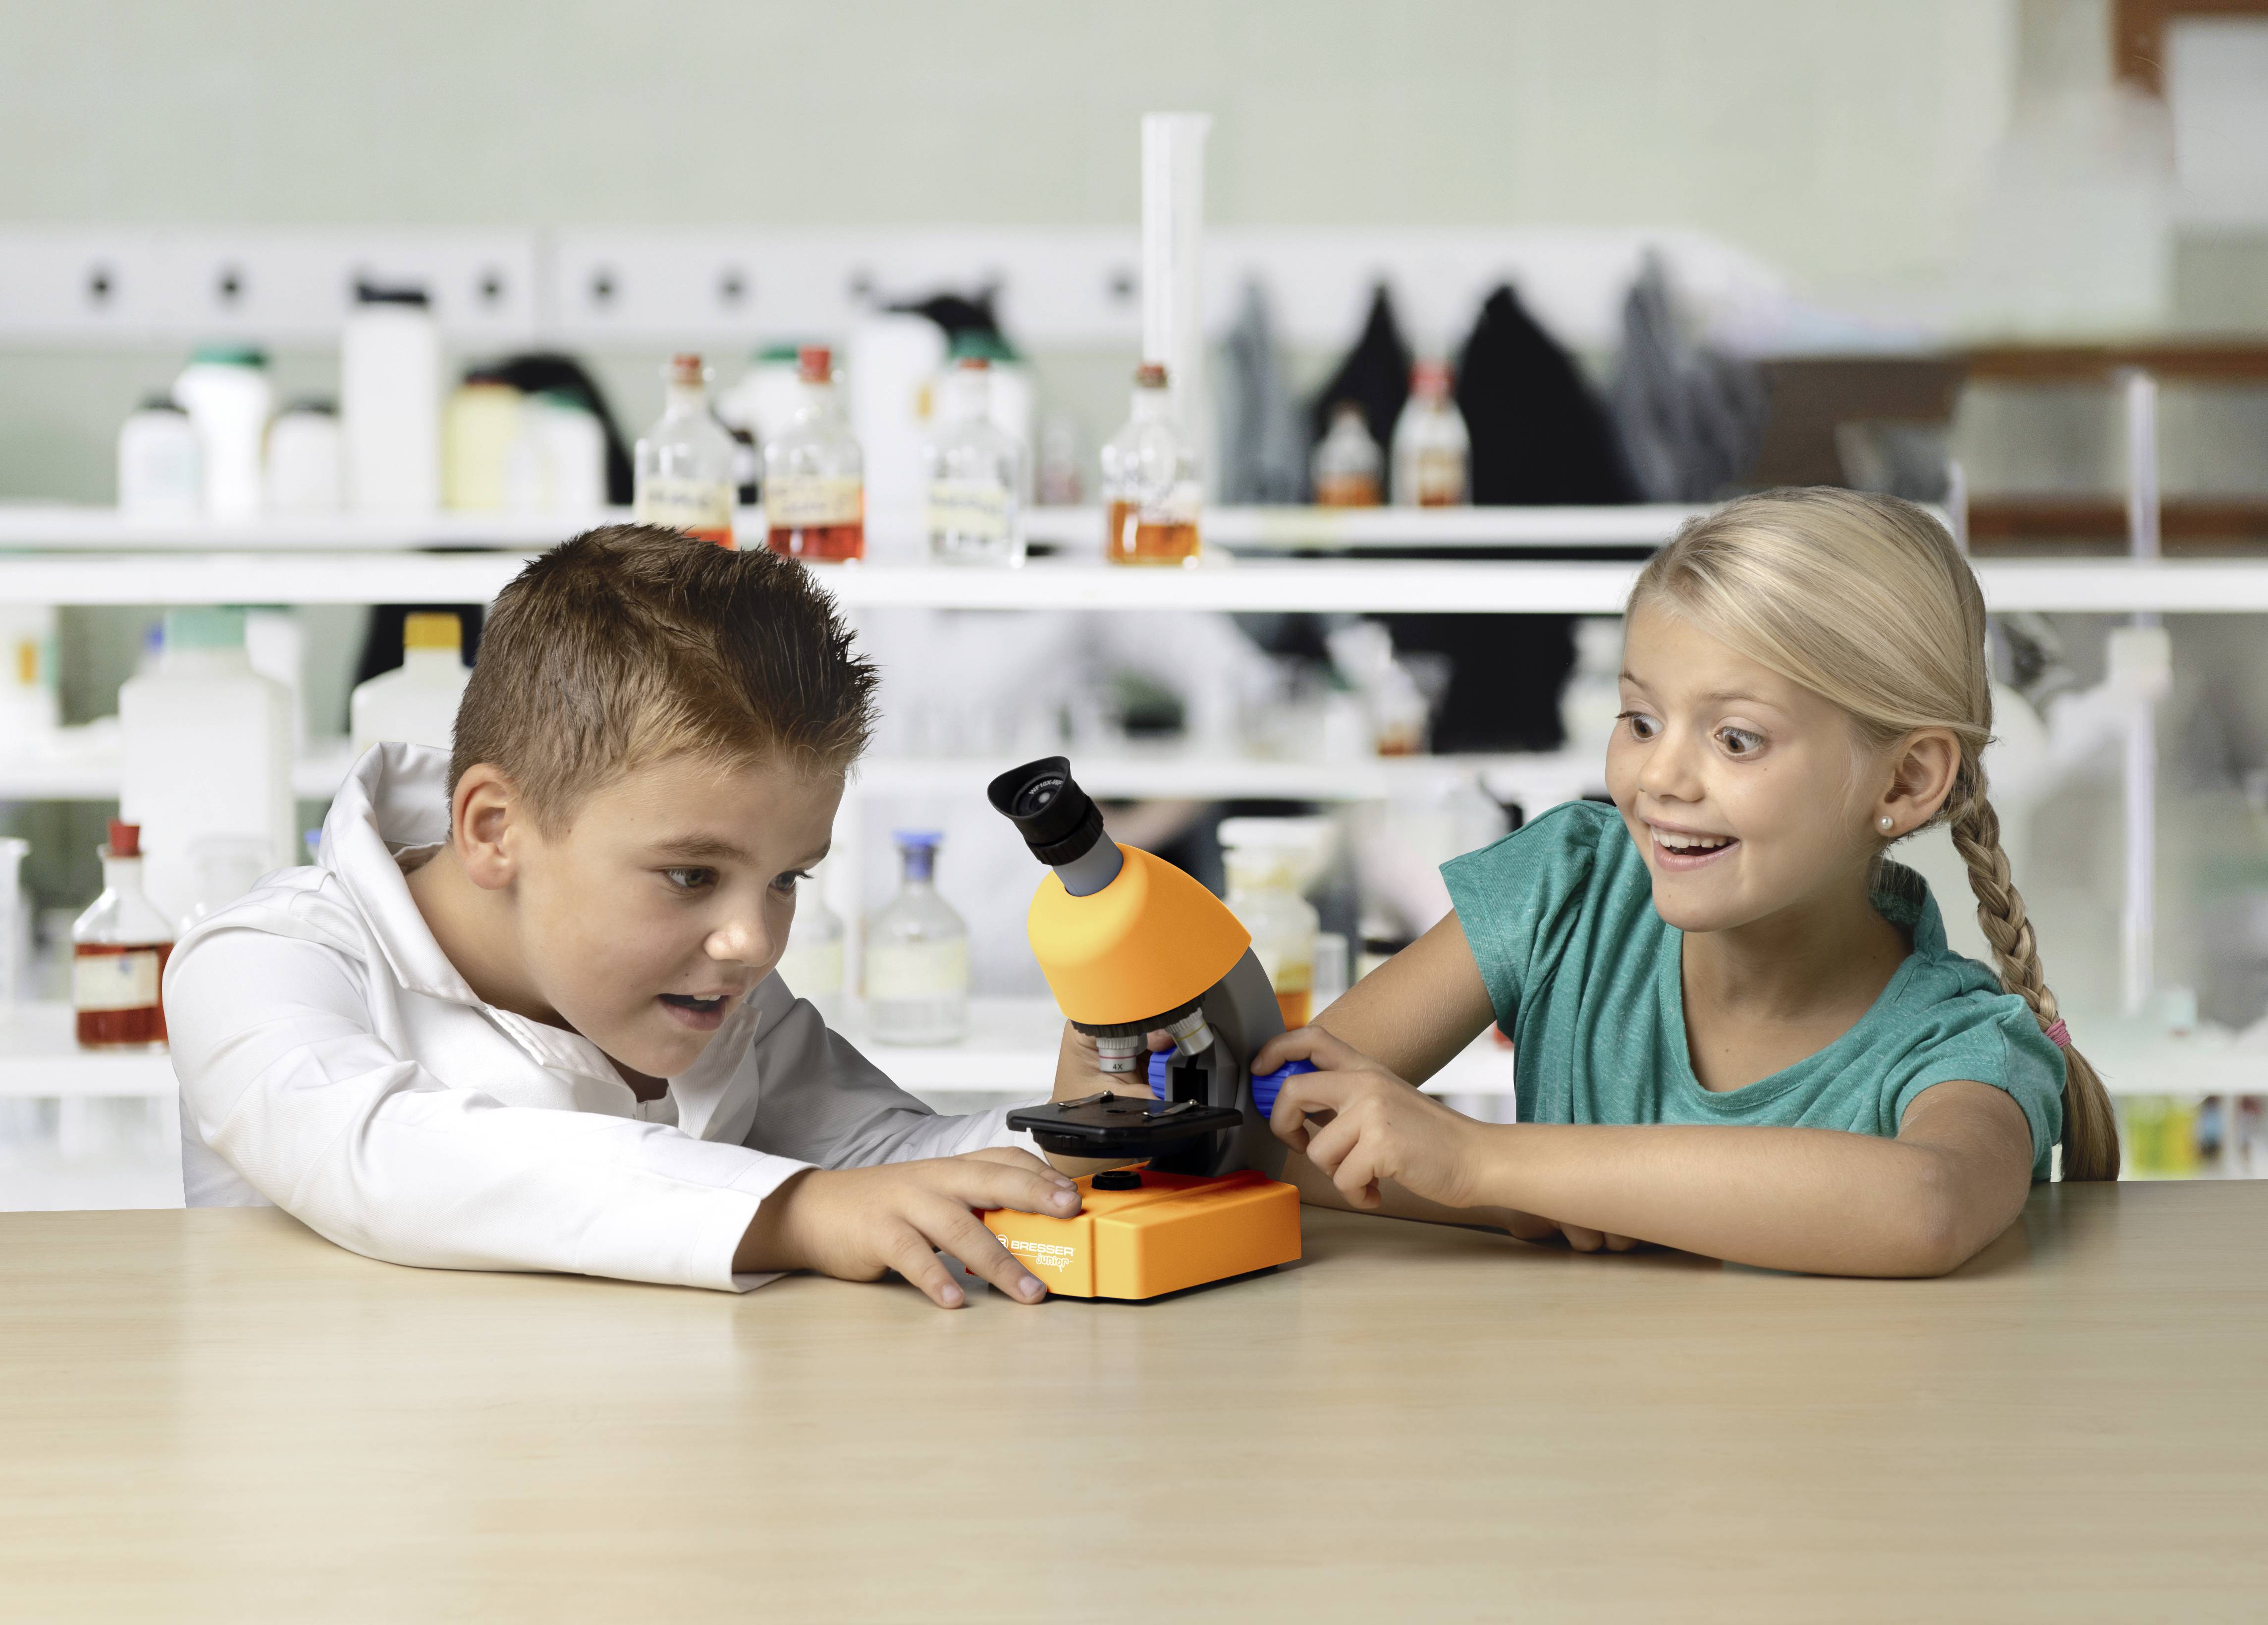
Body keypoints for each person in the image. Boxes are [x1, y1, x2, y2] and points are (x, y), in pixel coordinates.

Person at [169, 525, 1084, 1305]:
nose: (753, 943)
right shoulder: (261, 965)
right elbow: (390, 1163)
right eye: (691, 875)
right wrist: (794, 1211)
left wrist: (1095, 1116)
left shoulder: (695, 991)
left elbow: (895, 1165)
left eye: (787, 880)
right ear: (496, 831)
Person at [1248, 488, 2118, 1276]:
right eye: (1640, 719)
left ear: (1903, 782)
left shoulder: (1961, 1041)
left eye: (1735, 738)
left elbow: (1927, 1207)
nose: (1659, 778)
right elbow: (1267, 1138)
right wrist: (1522, 1199)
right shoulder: (1569, 887)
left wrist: (1484, 1163)